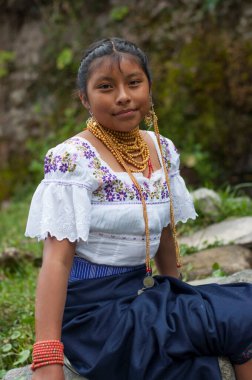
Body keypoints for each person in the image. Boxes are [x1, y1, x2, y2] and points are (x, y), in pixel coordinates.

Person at [25, 37, 252, 380]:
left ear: (149, 87)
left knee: (225, 329)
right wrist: (47, 357)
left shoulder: (160, 149)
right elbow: (56, 260)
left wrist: (180, 295)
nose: (123, 96)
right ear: (84, 99)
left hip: (141, 295)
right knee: (240, 314)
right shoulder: (72, 160)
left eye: (134, 83)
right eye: (106, 86)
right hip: (96, 316)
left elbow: (163, 232)